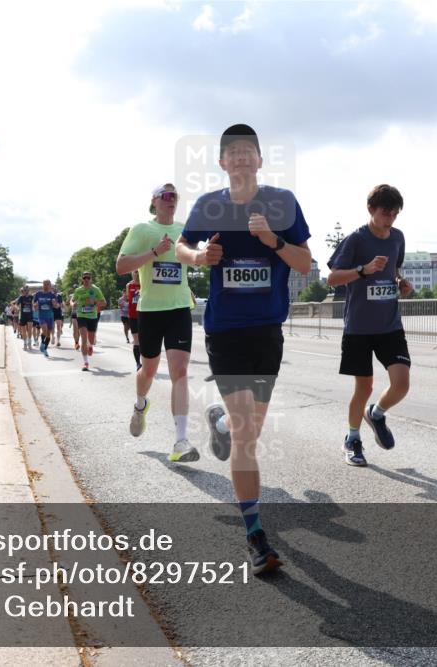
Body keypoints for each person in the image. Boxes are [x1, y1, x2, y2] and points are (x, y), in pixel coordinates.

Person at [176, 124, 311, 574]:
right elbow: (182, 246)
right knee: (248, 436)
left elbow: (306, 263)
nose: (238, 158)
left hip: (267, 332)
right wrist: (199, 259)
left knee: (247, 431)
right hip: (226, 330)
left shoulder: (281, 203)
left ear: (258, 159)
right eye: (230, 152)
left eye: (246, 151)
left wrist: (273, 240)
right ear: (221, 162)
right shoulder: (209, 205)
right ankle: (254, 536)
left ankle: (219, 425)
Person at [326, 184, 413, 467]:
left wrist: (401, 283)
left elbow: (395, 270)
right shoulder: (355, 240)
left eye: (395, 214)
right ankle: (352, 439)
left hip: (390, 325)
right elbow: (333, 278)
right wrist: (363, 270)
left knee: (401, 384)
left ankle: (376, 414)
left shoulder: (397, 238)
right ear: (371, 210)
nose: (390, 219)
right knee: (363, 388)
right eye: (385, 213)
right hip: (359, 328)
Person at [117, 183, 198, 463]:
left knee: (181, 370)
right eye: (165, 196)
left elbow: (197, 259)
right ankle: (140, 405)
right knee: (148, 370)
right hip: (150, 310)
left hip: (178, 309)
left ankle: (181, 441)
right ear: (154, 201)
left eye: (175, 196)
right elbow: (121, 266)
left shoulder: (184, 231)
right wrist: (154, 252)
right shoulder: (141, 230)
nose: (171, 200)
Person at [72, 272, 106, 371]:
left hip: (92, 316)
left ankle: (90, 346)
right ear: (82, 279)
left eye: (88, 278)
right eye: (84, 278)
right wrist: (72, 304)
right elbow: (72, 300)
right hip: (81, 315)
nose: (86, 279)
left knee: (90, 340)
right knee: (83, 338)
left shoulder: (96, 289)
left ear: (91, 279)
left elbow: (104, 302)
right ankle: (85, 363)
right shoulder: (78, 290)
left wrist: (94, 302)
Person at [34, 279, 59, 356]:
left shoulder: (52, 295)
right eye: (45, 284)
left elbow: (57, 306)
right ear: (43, 285)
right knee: (44, 330)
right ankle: (42, 343)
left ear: (50, 285)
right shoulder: (38, 294)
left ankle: (45, 349)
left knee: (48, 334)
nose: (46, 286)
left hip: (50, 316)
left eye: (48, 284)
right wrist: (35, 306)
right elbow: (34, 305)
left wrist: (55, 304)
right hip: (42, 316)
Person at [126, 274, 142, 369]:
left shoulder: (145, 283)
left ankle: (146, 362)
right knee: (136, 340)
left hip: (144, 315)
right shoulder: (129, 285)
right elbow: (128, 299)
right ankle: (138, 363)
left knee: (144, 339)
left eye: (138, 271)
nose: (137, 274)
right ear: (132, 273)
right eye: (135, 272)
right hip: (133, 316)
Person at [16, 285, 36, 349]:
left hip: (30, 315)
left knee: (30, 329)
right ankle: (25, 343)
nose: (26, 291)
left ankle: (29, 343)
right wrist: (18, 308)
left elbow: (34, 303)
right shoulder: (21, 297)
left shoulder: (31, 297)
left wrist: (34, 306)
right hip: (23, 315)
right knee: (23, 330)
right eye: (24, 290)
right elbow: (16, 305)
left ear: (28, 290)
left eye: (27, 290)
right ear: (23, 291)